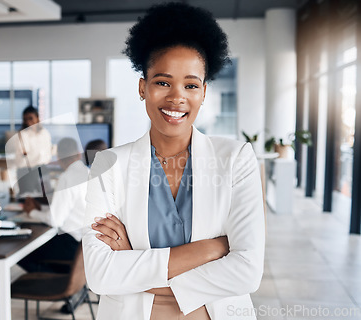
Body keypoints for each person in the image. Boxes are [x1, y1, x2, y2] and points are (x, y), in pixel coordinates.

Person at [83, 3, 265, 320]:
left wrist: (135, 262)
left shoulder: (236, 159)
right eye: (163, 82)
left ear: (204, 92)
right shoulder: (108, 165)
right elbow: (101, 275)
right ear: (143, 88)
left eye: (191, 85)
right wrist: (213, 249)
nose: (176, 97)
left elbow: (247, 273)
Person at [18, 137, 89, 273]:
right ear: (79, 154)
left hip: (71, 244)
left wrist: (32, 212)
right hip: (85, 246)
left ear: (59, 158)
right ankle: (64, 279)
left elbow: (55, 220)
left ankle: (55, 282)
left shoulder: (67, 177)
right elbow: (70, 208)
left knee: (23, 253)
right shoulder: (88, 172)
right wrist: (41, 209)